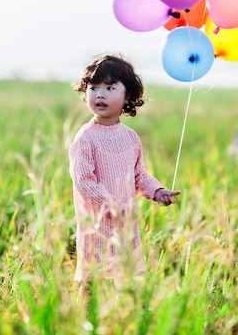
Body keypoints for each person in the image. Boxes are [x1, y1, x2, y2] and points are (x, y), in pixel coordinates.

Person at [69, 53, 180, 291]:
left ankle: (124, 322)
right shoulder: (86, 138)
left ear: (127, 95)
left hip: (125, 224)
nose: (100, 94)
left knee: (127, 281)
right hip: (96, 225)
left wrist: (157, 190)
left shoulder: (130, 138)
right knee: (92, 282)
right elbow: (83, 181)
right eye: (93, 87)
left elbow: (139, 175)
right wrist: (110, 207)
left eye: (110, 87)